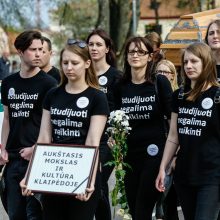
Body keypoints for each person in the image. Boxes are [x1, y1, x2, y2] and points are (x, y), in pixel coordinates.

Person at [21, 39, 109, 220]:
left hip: (83, 171)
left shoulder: (97, 97)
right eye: (65, 62)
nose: (69, 67)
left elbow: (92, 142)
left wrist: (89, 181)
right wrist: (31, 175)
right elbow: (44, 138)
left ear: (87, 63)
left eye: (75, 63)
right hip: (54, 173)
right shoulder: (52, 94)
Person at [156, 42, 220, 220]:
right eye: (185, 62)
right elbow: (173, 136)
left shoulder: (217, 95)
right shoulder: (179, 96)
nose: (189, 66)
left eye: (194, 61)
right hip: (184, 175)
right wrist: (163, 167)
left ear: (206, 62)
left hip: (212, 177)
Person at [113, 36, 173, 220]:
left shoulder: (159, 83)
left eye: (141, 52)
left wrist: (174, 154)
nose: (135, 55)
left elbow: (172, 120)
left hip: (154, 154)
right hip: (129, 156)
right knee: (132, 208)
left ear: (150, 57)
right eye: (131, 51)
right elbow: (114, 121)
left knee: (143, 210)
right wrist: (114, 141)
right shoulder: (120, 86)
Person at [0, 30, 57, 220]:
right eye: (33, 50)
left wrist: (37, 148)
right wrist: (2, 148)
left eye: (41, 49)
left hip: (37, 158)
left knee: (36, 215)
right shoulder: (8, 83)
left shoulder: (49, 84)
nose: (39, 54)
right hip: (13, 159)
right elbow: (7, 118)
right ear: (20, 51)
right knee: (14, 213)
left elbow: (52, 124)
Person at [86, 28, 121, 220]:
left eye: (99, 44)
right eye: (91, 44)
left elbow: (121, 110)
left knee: (98, 183)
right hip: (86, 138)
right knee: (91, 186)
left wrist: (116, 136)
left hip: (107, 141)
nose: (94, 48)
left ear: (107, 48)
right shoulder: (82, 73)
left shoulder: (116, 76)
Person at [155, 59, 179, 220]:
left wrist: (176, 155)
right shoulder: (152, 96)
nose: (162, 76)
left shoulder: (179, 95)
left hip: (173, 153)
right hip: (157, 152)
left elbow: (177, 132)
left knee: (169, 202)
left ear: (172, 76)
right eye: (159, 72)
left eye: (165, 72)